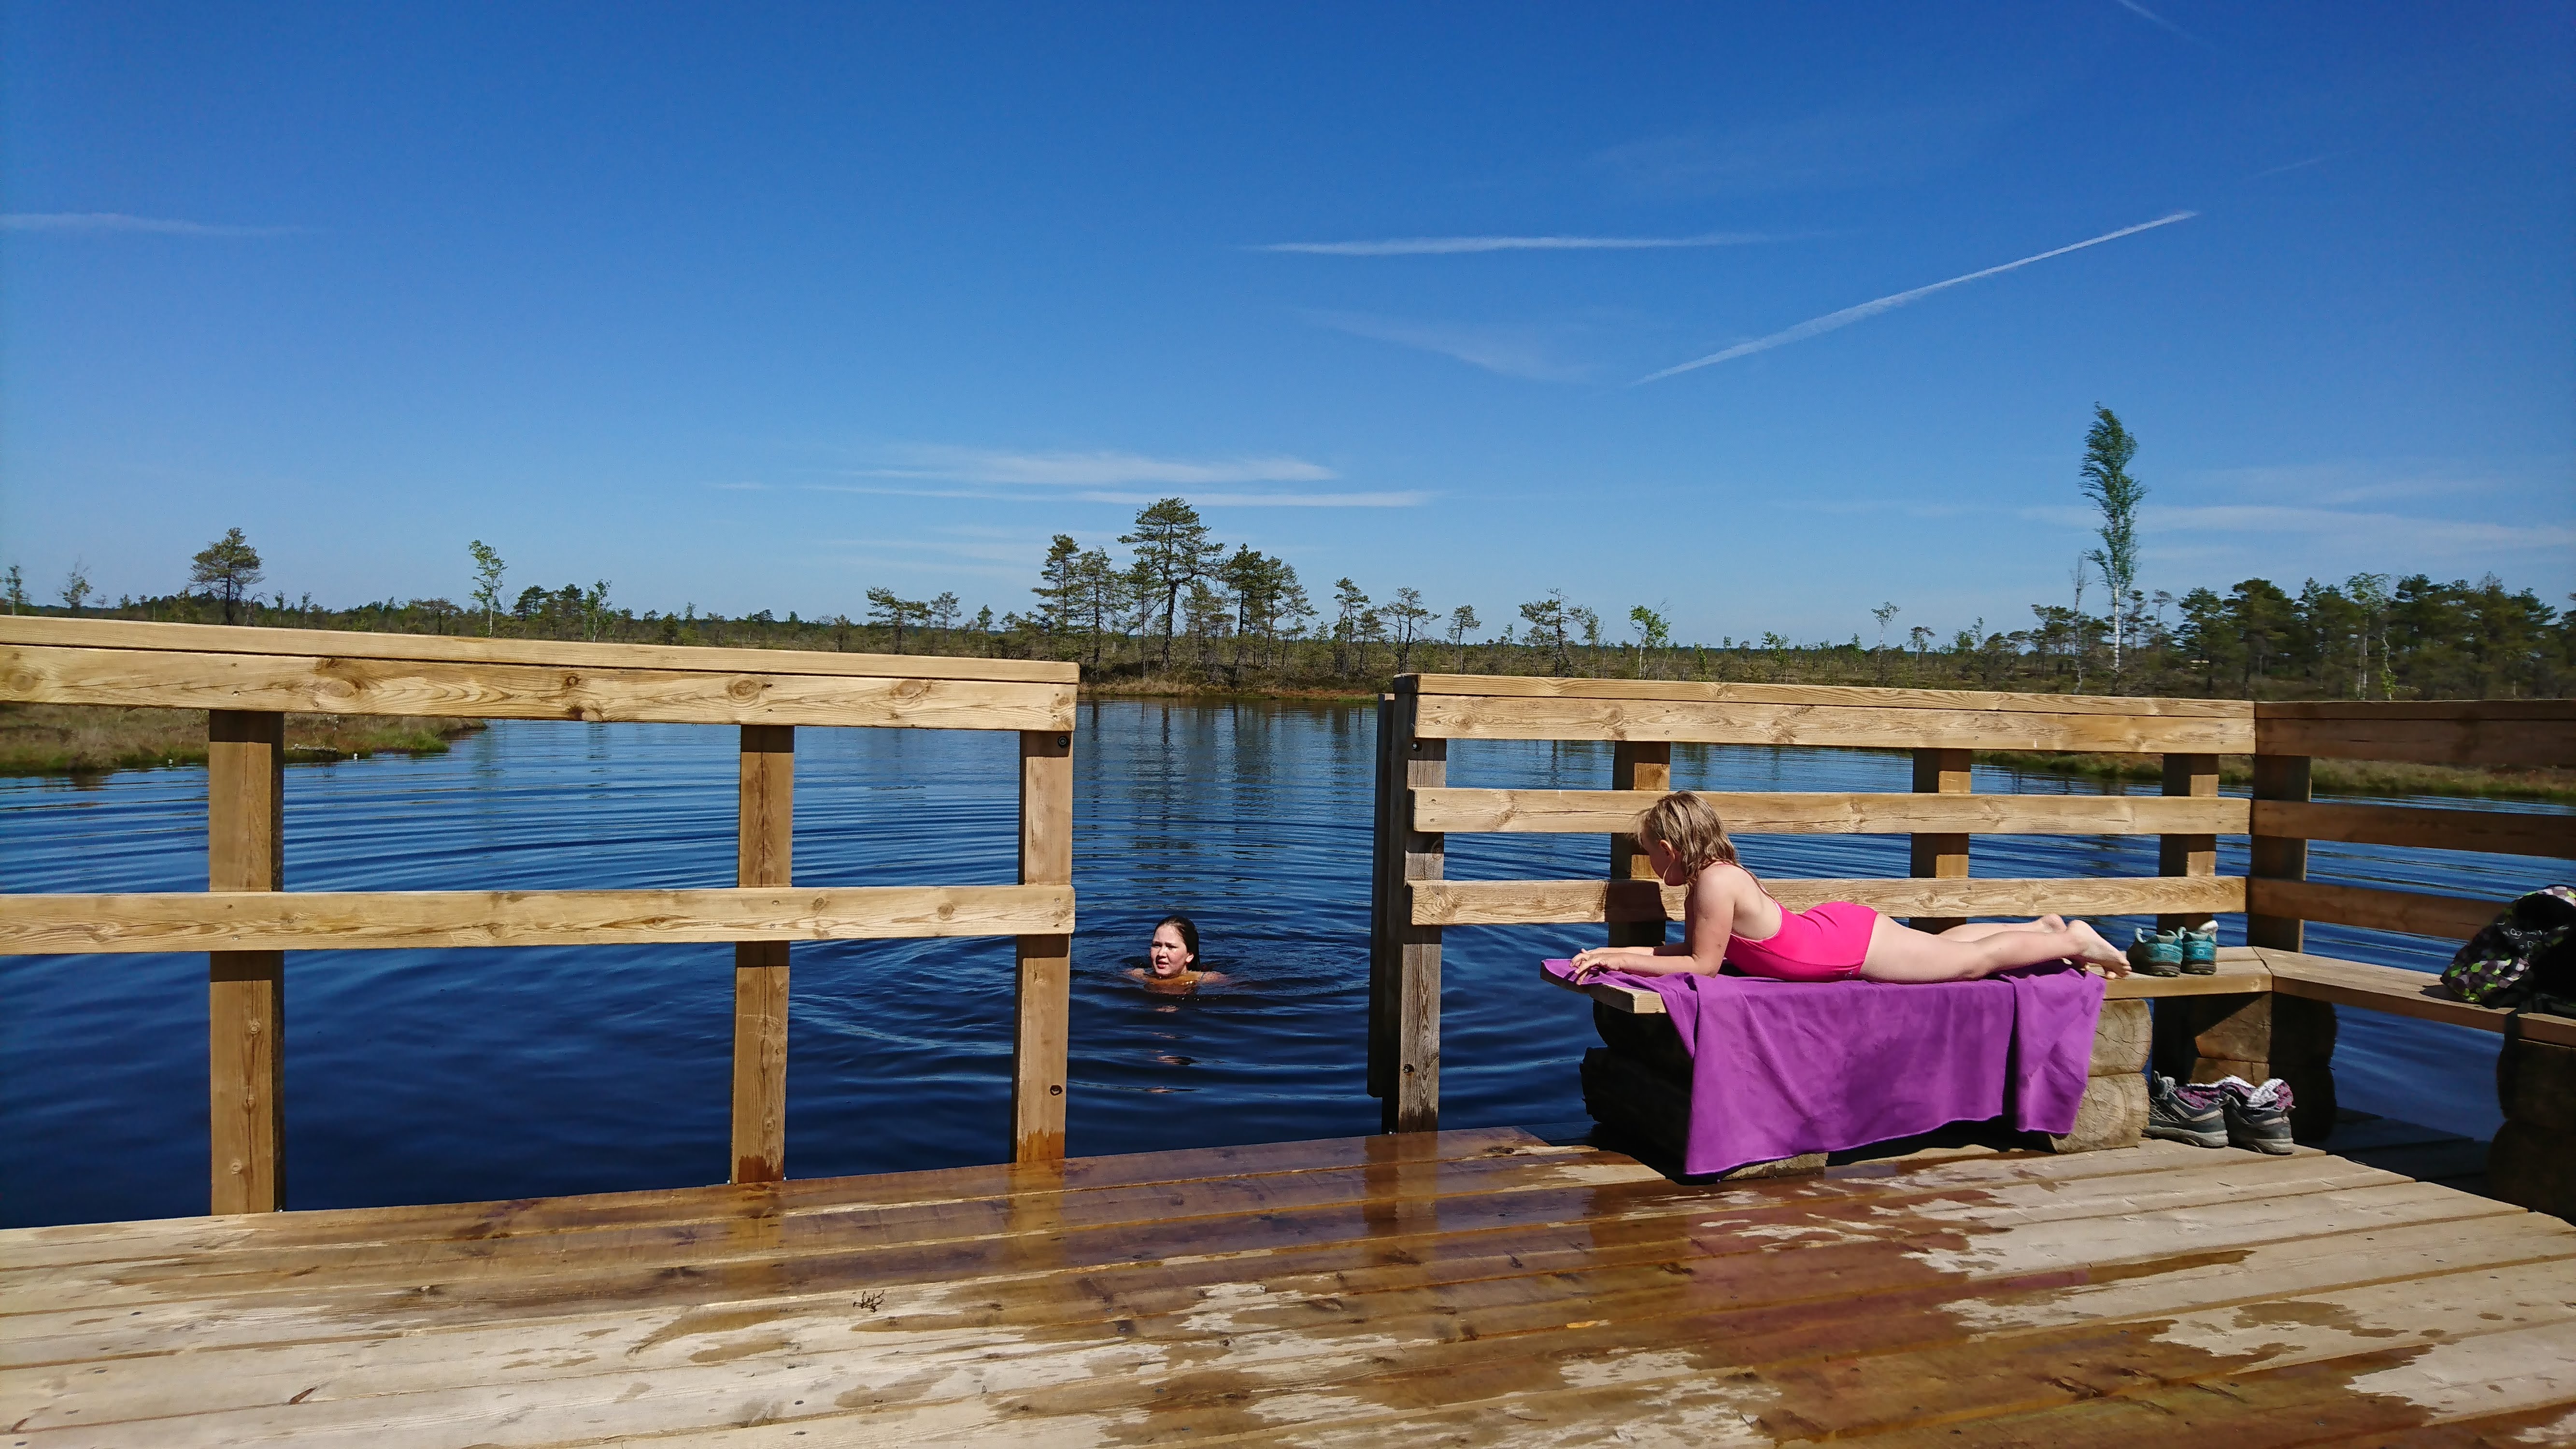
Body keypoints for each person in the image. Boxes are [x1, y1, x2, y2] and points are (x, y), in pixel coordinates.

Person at [1569, 791, 2131, 985]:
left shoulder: (1714, 883)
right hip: (1829, 935)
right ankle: (2040, 930)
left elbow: (1703, 968)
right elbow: (1690, 953)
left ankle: (2073, 940)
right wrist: (1609, 955)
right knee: (1951, 948)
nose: (1644, 859)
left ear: (1671, 847)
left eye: (1647, 849)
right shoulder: (1709, 878)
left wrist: (1622, 959)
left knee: (1968, 965)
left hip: (1847, 948)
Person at [1128, 914, 1228, 993]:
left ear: (1189, 955)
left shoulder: (1209, 980)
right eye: (1157, 945)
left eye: (1171, 947)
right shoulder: (1137, 976)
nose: (1161, 953)